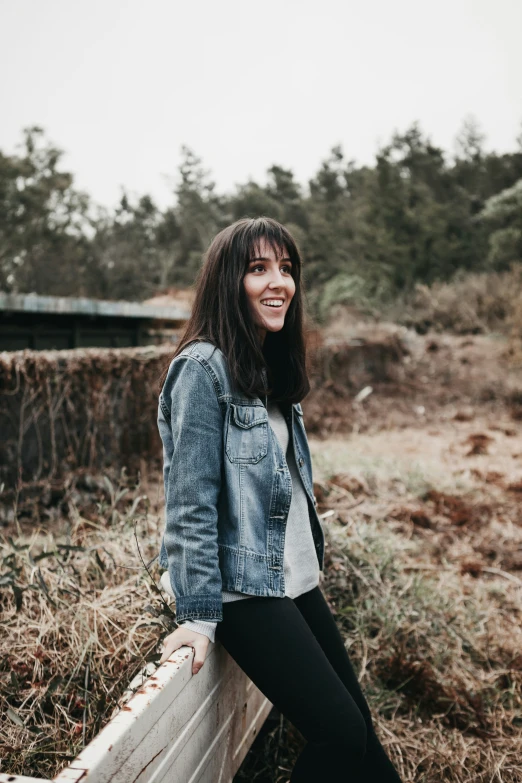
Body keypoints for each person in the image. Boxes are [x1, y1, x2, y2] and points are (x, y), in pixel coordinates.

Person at [156, 217, 403, 782]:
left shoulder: (264, 368)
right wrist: (196, 617)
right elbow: (190, 503)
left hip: (291, 579)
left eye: (286, 269)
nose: (279, 282)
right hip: (240, 590)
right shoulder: (201, 370)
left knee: (364, 744)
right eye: (258, 268)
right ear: (227, 282)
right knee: (338, 733)